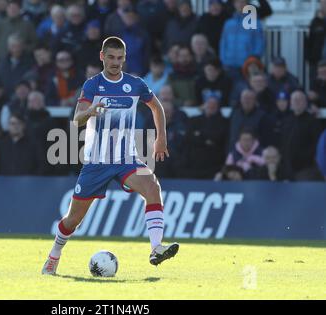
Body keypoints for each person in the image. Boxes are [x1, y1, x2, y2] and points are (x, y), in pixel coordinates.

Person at [42, 37, 179, 276]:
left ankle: (156, 248)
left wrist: (161, 139)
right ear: (102, 57)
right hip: (97, 161)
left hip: (127, 157)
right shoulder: (93, 85)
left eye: (120, 58)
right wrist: (90, 111)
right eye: (111, 57)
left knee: (152, 187)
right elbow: (76, 120)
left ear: (125, 58)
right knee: (73, 219)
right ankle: (54, 256)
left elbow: (156, 107)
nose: (116, 62)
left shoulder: (135, 84)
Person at [219, 0, 265, 84]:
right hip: (229, 65)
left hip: (247, 66)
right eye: (237, 2)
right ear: (234, 4)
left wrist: (253, 59)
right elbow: (223, 43)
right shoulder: (228, 23)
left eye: (242, 2)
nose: (240, 4)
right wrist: (223, 60)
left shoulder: (255, 22)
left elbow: (259, 43)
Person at [184, 94, 228, 179]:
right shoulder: (194, 120)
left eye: (214, 104)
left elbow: (218, 138)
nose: (211, 106)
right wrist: (206, 140)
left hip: (213, 164)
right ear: (204, 105)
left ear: (218, 106)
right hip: (194, 164)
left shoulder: (224, 122)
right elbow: (189, 138)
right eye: (209, 103)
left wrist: (200, 134)